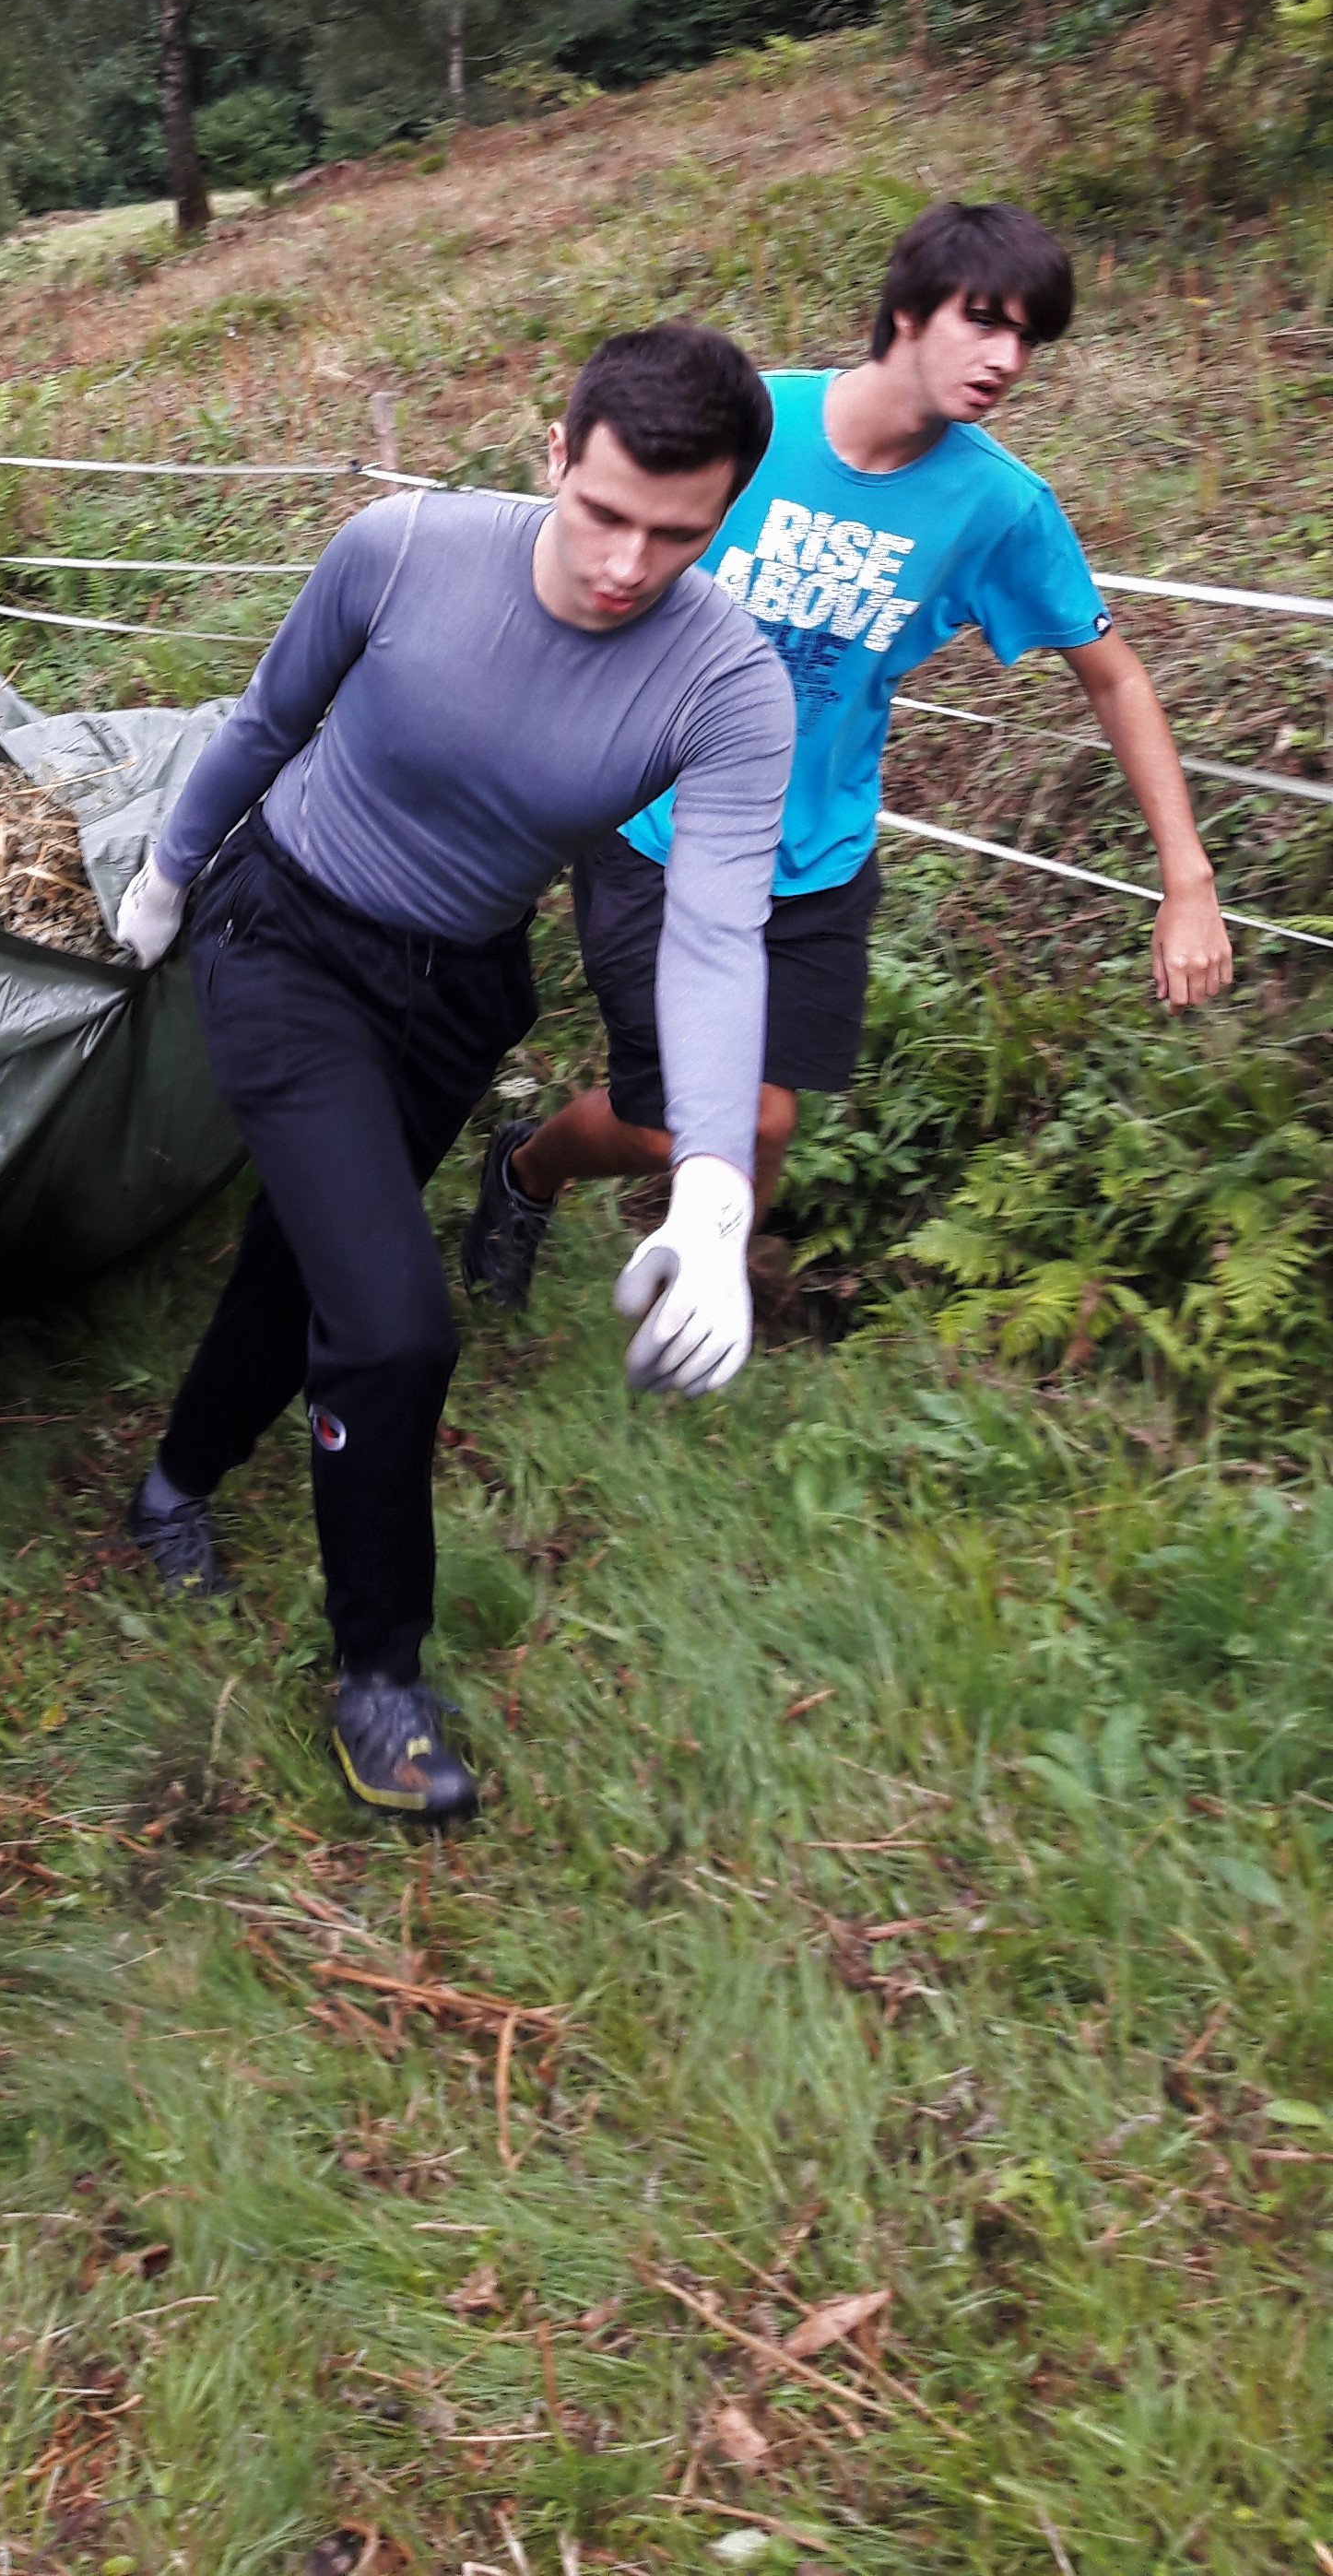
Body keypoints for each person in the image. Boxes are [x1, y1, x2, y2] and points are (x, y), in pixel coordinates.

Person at [113, 323, 795, 1827]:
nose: (625, 564)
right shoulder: (403, 549)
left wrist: (712, 1194)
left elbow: (715, 937)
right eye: (602, 511)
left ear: (726, 512)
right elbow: (266, 721)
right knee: (396, 1322)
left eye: (676, 535)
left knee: (315, 1260)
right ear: (553, 455)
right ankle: (380, 1676)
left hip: (453, 991)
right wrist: (167, 875)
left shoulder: (729, 685)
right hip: (286, 936)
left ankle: (173, 1484)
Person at [471, 202, 1231, 1313]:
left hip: (816, 852)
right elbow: (587, 558)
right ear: (907, 311)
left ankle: (706, 1303)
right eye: (984, 321)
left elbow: (1114, 676)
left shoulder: (999, 507)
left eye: (1028, 337)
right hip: (659, 829)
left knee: (765, 1119)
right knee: (691, 1120)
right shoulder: (749, 424)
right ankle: (530, 1168)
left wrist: (1188, 881)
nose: (1008, 359)